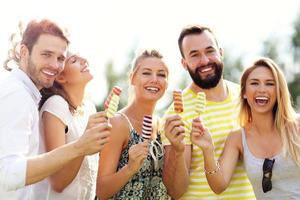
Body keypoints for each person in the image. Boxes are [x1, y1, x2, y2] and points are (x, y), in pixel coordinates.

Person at [0, 19, 111, 199]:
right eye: (46, 54)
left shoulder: (28, 96)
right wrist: (79, 147)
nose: (55, 65)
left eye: (60, 58)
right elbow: (6, 174)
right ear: (24, 52)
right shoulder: (17, 95)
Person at [161, 24, 255, 199]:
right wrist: (177, 150)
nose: (204, 61)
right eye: (194, 55)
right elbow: (175, 191)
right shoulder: (176, 113)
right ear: (184, 63)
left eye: (210, 51)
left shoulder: (246, 98)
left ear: (221, 52)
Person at [191, 57, 300, 199]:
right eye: (254, 83)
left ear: (278, 91)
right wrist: (207, 149)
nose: (262, 89)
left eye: (270, 84)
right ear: (243, 92)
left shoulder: (297, 127)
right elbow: (219, 185)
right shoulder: (237, 138)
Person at [96, 49, 170, 199]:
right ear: (132, 78)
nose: (154, 79)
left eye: (161, 74)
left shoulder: (163, 126)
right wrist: (130, 168)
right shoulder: (118, 124)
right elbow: (101, 191)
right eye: (146, 73)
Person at [32, 52, 107, 199]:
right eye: (74, 60)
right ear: (61, 77)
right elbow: (58, 182)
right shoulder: (56, 105)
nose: (84, 59)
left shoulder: (89, 108)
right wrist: (84, 143)